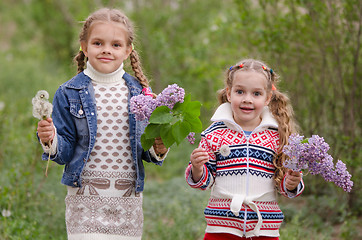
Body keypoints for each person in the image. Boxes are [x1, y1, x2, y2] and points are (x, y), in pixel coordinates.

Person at [36, 8, 167, 240]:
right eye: (98, 43)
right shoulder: (68, 92)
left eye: (116, 45)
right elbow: (64, 151)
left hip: (127, 201)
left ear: (128, 51)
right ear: (84, 47)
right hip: (85, 199)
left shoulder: (141, 94)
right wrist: (50, 138)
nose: (106, 49)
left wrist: (160, 147)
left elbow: (146, 149)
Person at [185, 59, 305, 240]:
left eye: (256, 93)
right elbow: (204, 182)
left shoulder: (276, 137)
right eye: (240, 91)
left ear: (267, 98)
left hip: (264, 227)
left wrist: (291, 183)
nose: (247, 99)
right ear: (229, 93)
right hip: (222, 226)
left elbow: (282, 184)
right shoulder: (214, 134)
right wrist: (197, 168)